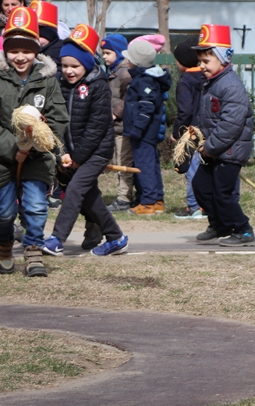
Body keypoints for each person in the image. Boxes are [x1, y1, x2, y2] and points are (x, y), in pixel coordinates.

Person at [0, 5, 68, 277]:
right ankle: (3, 245)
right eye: (14, 50)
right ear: (5, 50)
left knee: (36, 207)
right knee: (4, 211)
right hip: (2, 159)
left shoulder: (48, 82)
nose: (20, 56)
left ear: (36, 50)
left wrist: (38, 141)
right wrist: (13, 147)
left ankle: (33, 249)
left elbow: (58, 118)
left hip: (37, 158)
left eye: (27, 50)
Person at [41, 24, 129, 257]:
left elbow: (96, 128)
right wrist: (63, 152)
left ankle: (57, 239)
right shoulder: (60, 84)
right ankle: (116, 238)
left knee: (74, 191)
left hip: (95, 152)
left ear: (87, 64)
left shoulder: (98, 87)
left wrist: (79, 157)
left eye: (75, 66)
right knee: (90, 198)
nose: (69, 71)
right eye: (65, 66)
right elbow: (57, 120)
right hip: (71, 153)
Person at [190, 24, 255, 246]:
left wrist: (210, 147)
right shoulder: (212, 83)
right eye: (200, 61)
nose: (201, 66)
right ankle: (220, 225)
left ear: (223, 59)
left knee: (222, 193)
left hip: (229, 150)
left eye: (206, 61)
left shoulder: (230, 86)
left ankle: (244, 230)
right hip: (215, 149)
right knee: (200, 186)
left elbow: (230, 124)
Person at [122, 40, 171, 215]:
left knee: (144, 166)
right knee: (151, 164)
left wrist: (137, 128)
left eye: (129, 59)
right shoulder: (146, 78)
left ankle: (148, 202)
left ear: (135, 62)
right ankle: (157, 200)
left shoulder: (144, 81)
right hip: (146, 131)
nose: (127, 61)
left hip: (143, 132)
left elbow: (147, 107)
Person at [171, 36, 207, 220]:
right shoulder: (206, 76)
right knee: (206, 168)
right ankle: (205, 205)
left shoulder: (185, 81)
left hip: (192, 132)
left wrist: (177, 132)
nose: (176, 63)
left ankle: (194, 207)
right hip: (208, 128)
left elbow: (184, 111)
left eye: (177, 60)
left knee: (193, 169)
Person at [101, 33, 135, 212]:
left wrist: (115, 113)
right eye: (103, 53)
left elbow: (129, 97)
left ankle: (124, 198)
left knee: (124, 163)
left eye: (108, 53)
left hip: (122, 126)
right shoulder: (113, 72)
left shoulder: (125, 72)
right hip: (115, 127)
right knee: (119, 161)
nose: (104, 56)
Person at [29, 0, 63, 64]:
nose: (35, 40)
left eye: (39, 36)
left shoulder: (55, 53)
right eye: (31, 36)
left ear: (50, 36)